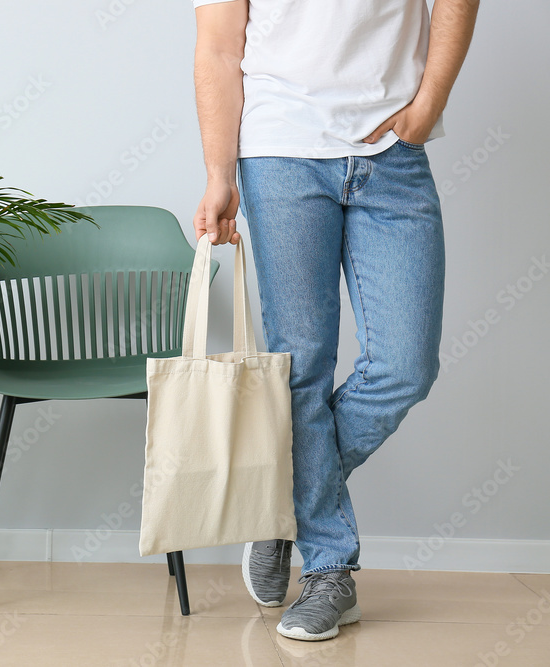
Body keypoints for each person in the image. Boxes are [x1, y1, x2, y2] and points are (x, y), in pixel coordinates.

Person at [192, 0, 480, 641]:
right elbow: (216, 44)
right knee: (301, 366)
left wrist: (429, 102)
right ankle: (330, 572)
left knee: (405, 366)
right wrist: (218, 173)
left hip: (393, 155)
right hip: (280, 154)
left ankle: (281, 504)